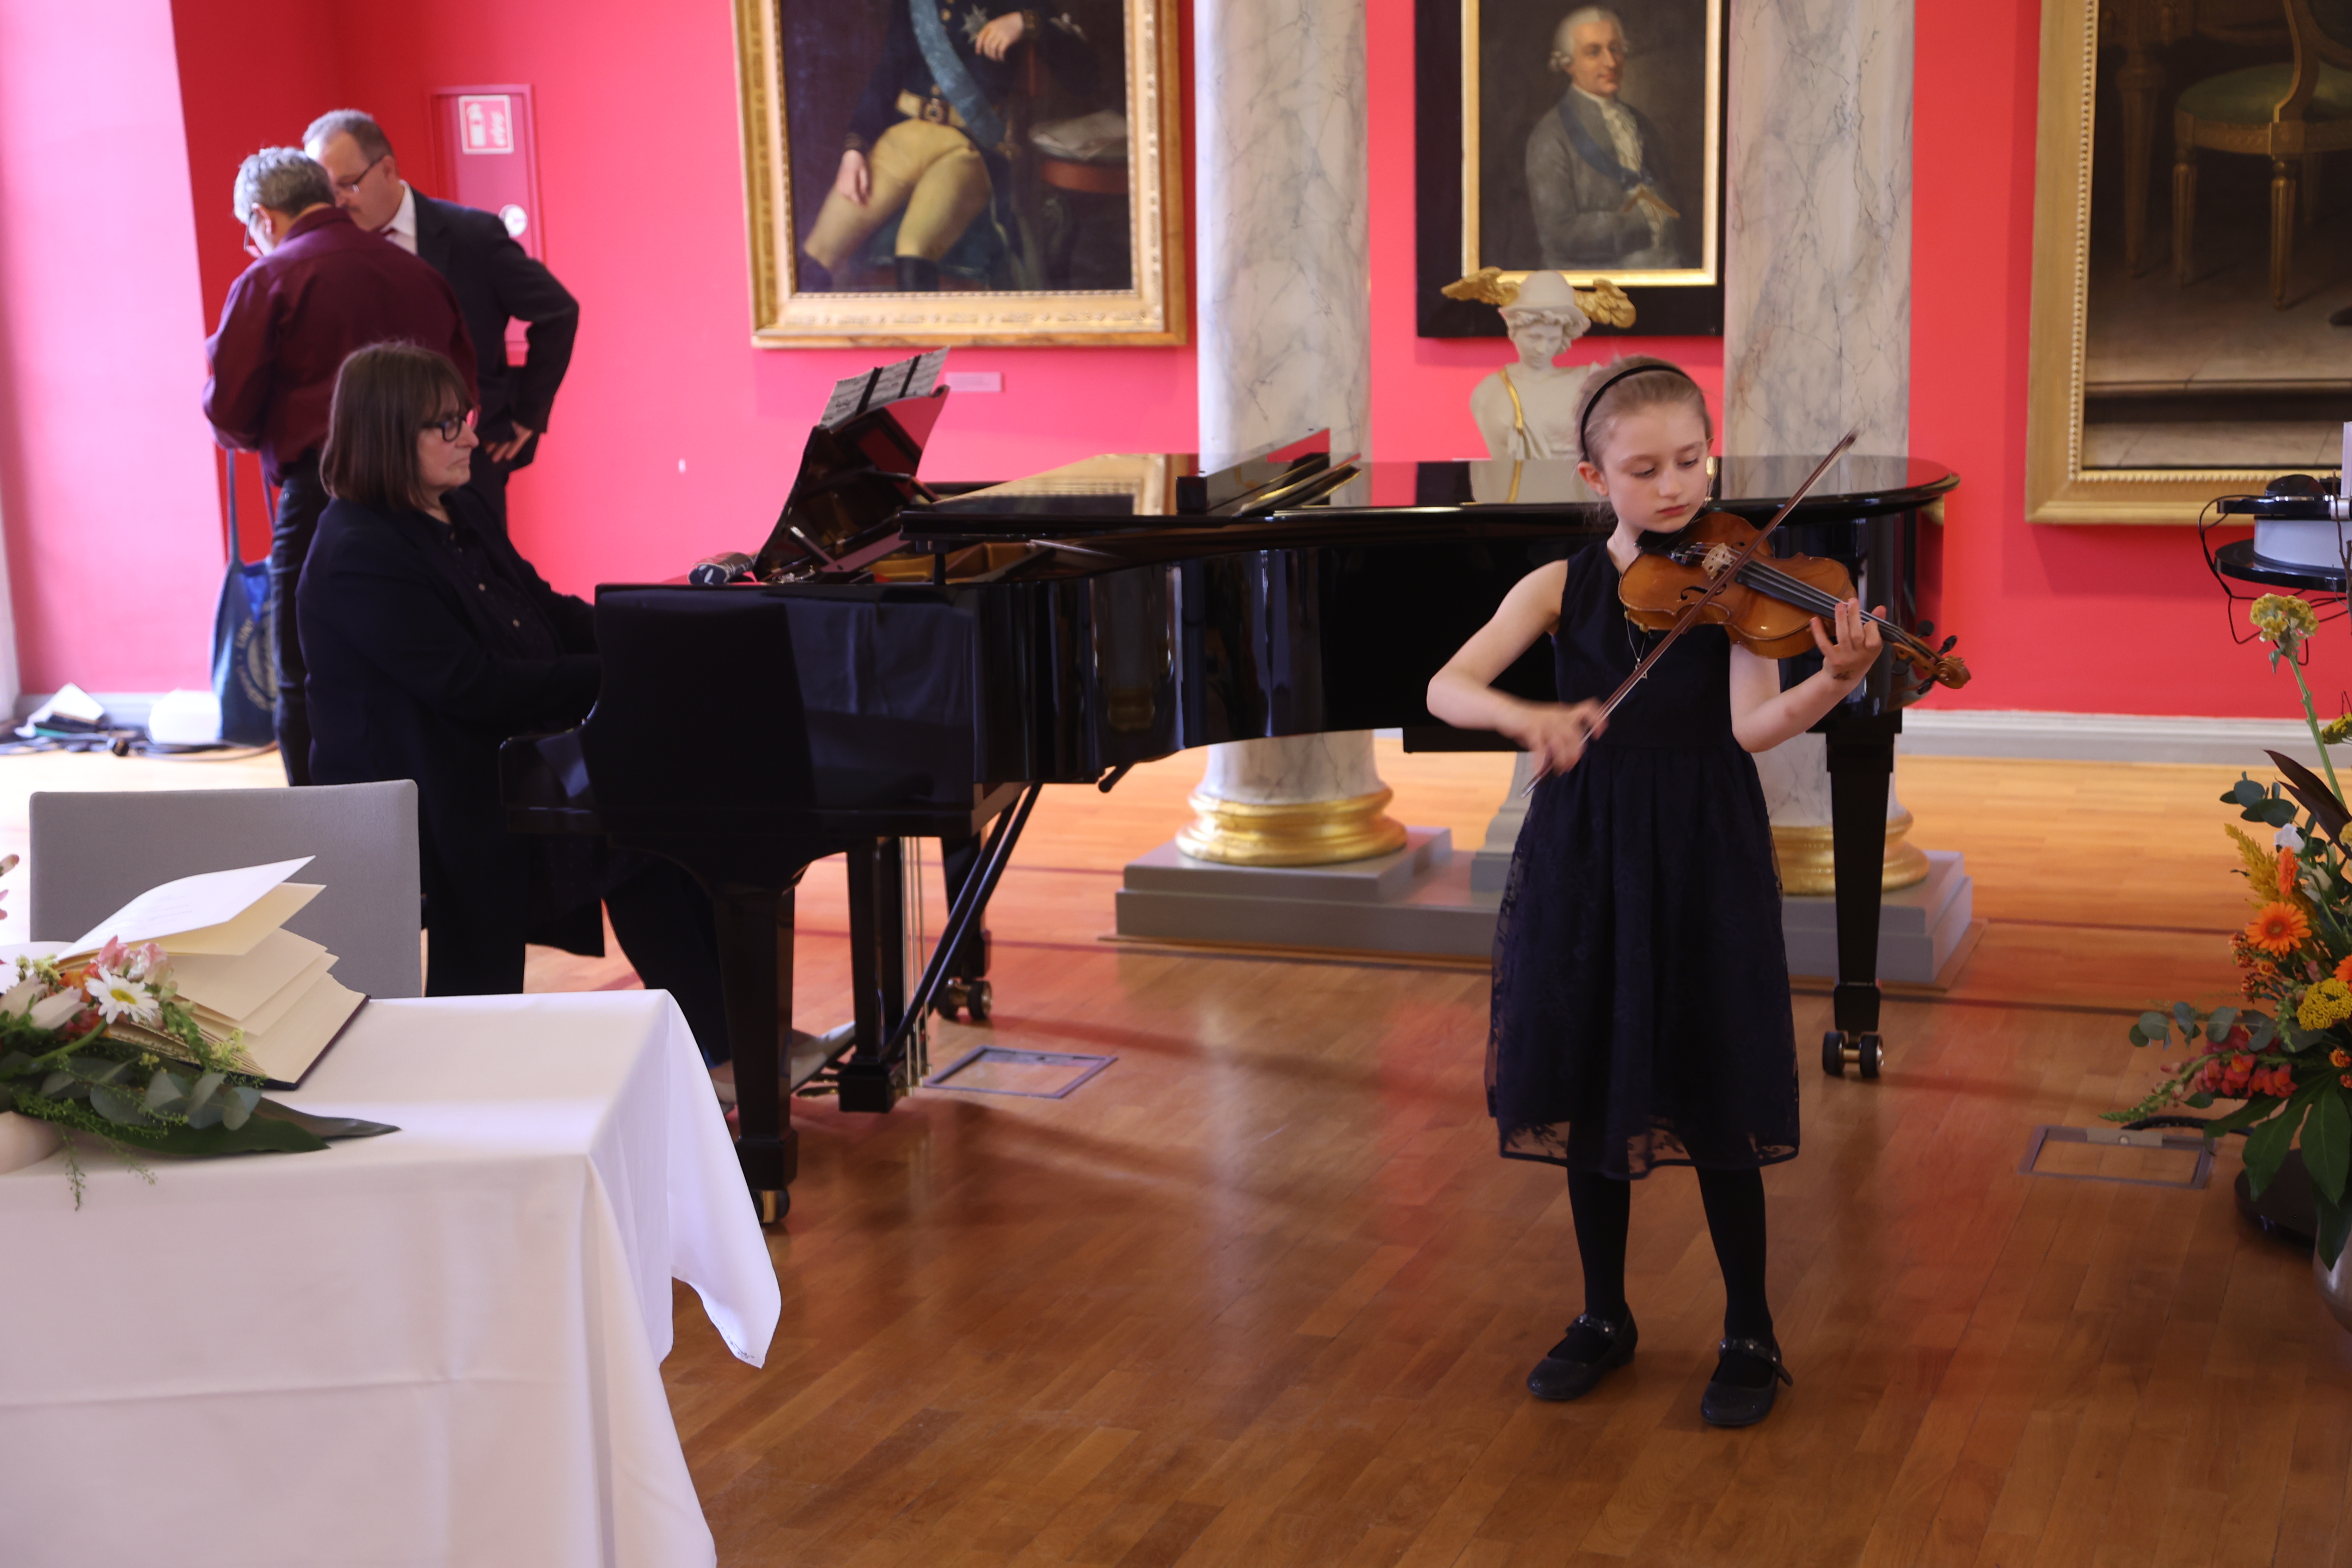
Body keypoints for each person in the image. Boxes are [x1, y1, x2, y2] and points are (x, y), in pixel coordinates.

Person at [1424, 358, 1883, 1428]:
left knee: (1716, 1073)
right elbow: (1446, 685)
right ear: (1594, 477)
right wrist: (1529, 718)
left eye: (1690, 460)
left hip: (1701, 841)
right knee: (1592, 1072)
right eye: (1644, 470)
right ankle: (1603, 1314)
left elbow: (1752, 727)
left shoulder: (1735, 582)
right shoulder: (1559, 586)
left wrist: (1834, 679)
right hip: (1585, 846)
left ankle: (1750, 1328)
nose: (1674, 486)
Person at [298, 343, 729, 1067]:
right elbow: (471, 686)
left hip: (491, 756)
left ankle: (727, 1041)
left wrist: (654, 628)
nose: (470, 436)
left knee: (656, 828)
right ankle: (718, 1046)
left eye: (463, 417)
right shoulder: (358, 550)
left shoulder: (455, 507)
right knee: (631, 832)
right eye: (447, 425)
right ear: (388, 435)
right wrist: (619, 673)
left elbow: (544, 610)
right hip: (426, 788)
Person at [204, 148, 476, 787]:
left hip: (325, 496)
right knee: (436, 653)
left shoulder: (270, 279)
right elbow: (462, 382)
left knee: (305, 668)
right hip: (430, 494)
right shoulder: (415, 271)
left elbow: (231, 413)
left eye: (248, 230)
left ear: (264, 217)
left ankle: (318, 824)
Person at [303, 109, 579, 536]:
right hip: (372, 461)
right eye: (327, 191)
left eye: (348, 184)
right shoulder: (326, 253)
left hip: (466, 450)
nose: (338, 202)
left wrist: (527, 413)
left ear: (387, 169)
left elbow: (557, 311)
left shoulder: (472, 235)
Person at [799, 0, 1096, 291]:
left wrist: (1025, 21)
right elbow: (886, 74)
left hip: (965, 148)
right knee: (818, 251)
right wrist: (854, 151)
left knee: (915, 248)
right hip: (901, 140)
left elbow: (1086, 79)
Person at [1525, 7, 1684, 270]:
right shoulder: (1550, 136)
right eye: (1594, 52)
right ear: (1568, 64)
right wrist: (1639, 221)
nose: (1611, 63)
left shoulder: (1641, 124)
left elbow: (1671, 202)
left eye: (1616, 49)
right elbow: (1558, 235)